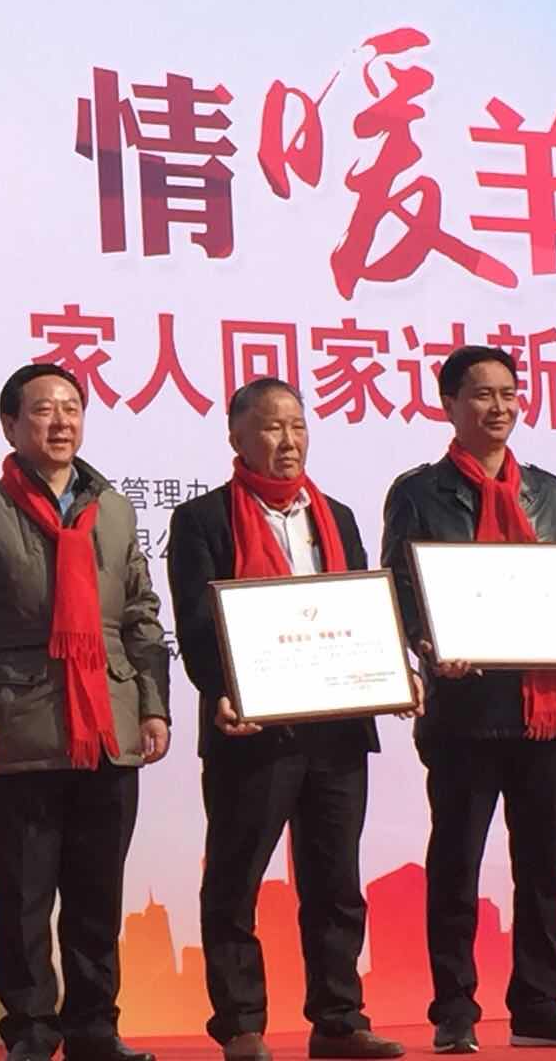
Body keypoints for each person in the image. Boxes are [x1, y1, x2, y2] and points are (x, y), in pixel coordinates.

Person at [165, 378, 411, 1061]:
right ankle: (241, 1024)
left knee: (336, 882)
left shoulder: (337, 516)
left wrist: (392, 671)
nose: (288, 440)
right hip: (251, 730)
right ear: (237, 437)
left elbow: (360, 612)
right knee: (236, 879)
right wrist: (220, 691)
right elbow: (196, 622)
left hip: (336, 729)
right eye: (272, 427)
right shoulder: (204, 519)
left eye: (298, 426)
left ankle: (338, 1020)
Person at [381, 345, 556, 1053]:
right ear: (449, 404)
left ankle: (540, 1002)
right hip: (465, 710)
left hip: (545, 710)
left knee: (543, 865)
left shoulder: (549, 491)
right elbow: (399, 589)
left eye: (509, 393)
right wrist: (427, 647)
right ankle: (454, 1009)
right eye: (482, 394)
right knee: (457, 863)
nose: (500, 407)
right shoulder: (419, 492)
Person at [0, 363, 171, 1061]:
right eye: (43, 409)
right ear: (10, 425)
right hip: (22, 725)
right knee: (25, 895)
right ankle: (33, 1030)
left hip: (108, 723)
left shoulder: (115, 510)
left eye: (72, 407)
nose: (61, 421)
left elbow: (141, 614)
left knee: (98, 893)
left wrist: (152, 705)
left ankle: (95, 1027)